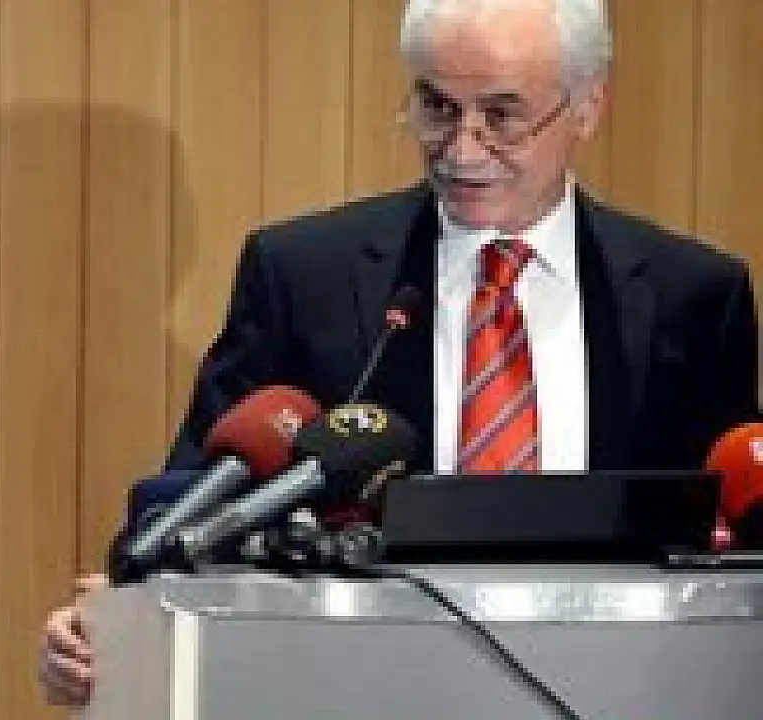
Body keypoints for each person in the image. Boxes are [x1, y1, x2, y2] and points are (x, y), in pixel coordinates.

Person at [38, 0, 760, 706]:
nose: (463, 149)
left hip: (613, 687)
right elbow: (191, 501)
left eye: (502, 116)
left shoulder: (693, 296)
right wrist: (114, 617)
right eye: (438, 108)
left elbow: (737, 533)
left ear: (587, 108)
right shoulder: (303, 275)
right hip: (357, 686)